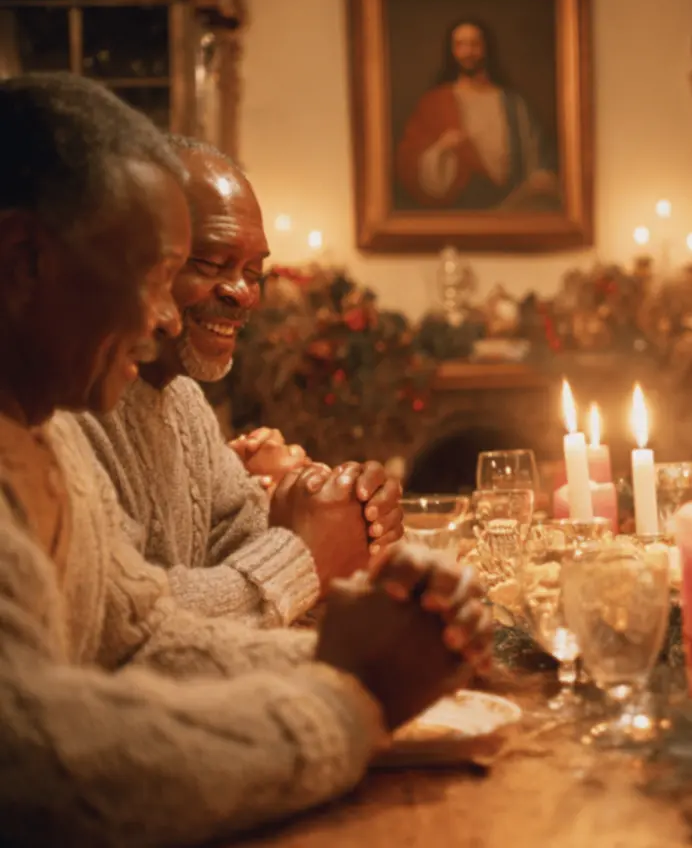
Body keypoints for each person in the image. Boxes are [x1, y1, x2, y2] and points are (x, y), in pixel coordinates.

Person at [0, 73, 491, 846]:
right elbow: (30, 764)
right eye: (150, 276)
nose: (164, 317)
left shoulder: (38, 430)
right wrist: (348, 704)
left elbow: (141, 638)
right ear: (23, 258)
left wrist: (378, 658)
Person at [76, 136, 401, 627]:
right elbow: (121, 622)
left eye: (255, 271)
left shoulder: (183, 401)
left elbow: (243, 533)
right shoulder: (61, 407)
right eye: (210, 264)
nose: (243, 293)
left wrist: (343, 510)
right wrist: (304, 558)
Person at [396, 19, 558, 211]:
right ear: (452, 51)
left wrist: (540, 179)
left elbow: (537, 159)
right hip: (461, 208)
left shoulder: (514, 104)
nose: (468, 52)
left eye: (475, 44)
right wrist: (441, 148)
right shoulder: (435, 102)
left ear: (486, 48)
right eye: (460, 45)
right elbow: (410, 163)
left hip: (512, 207)